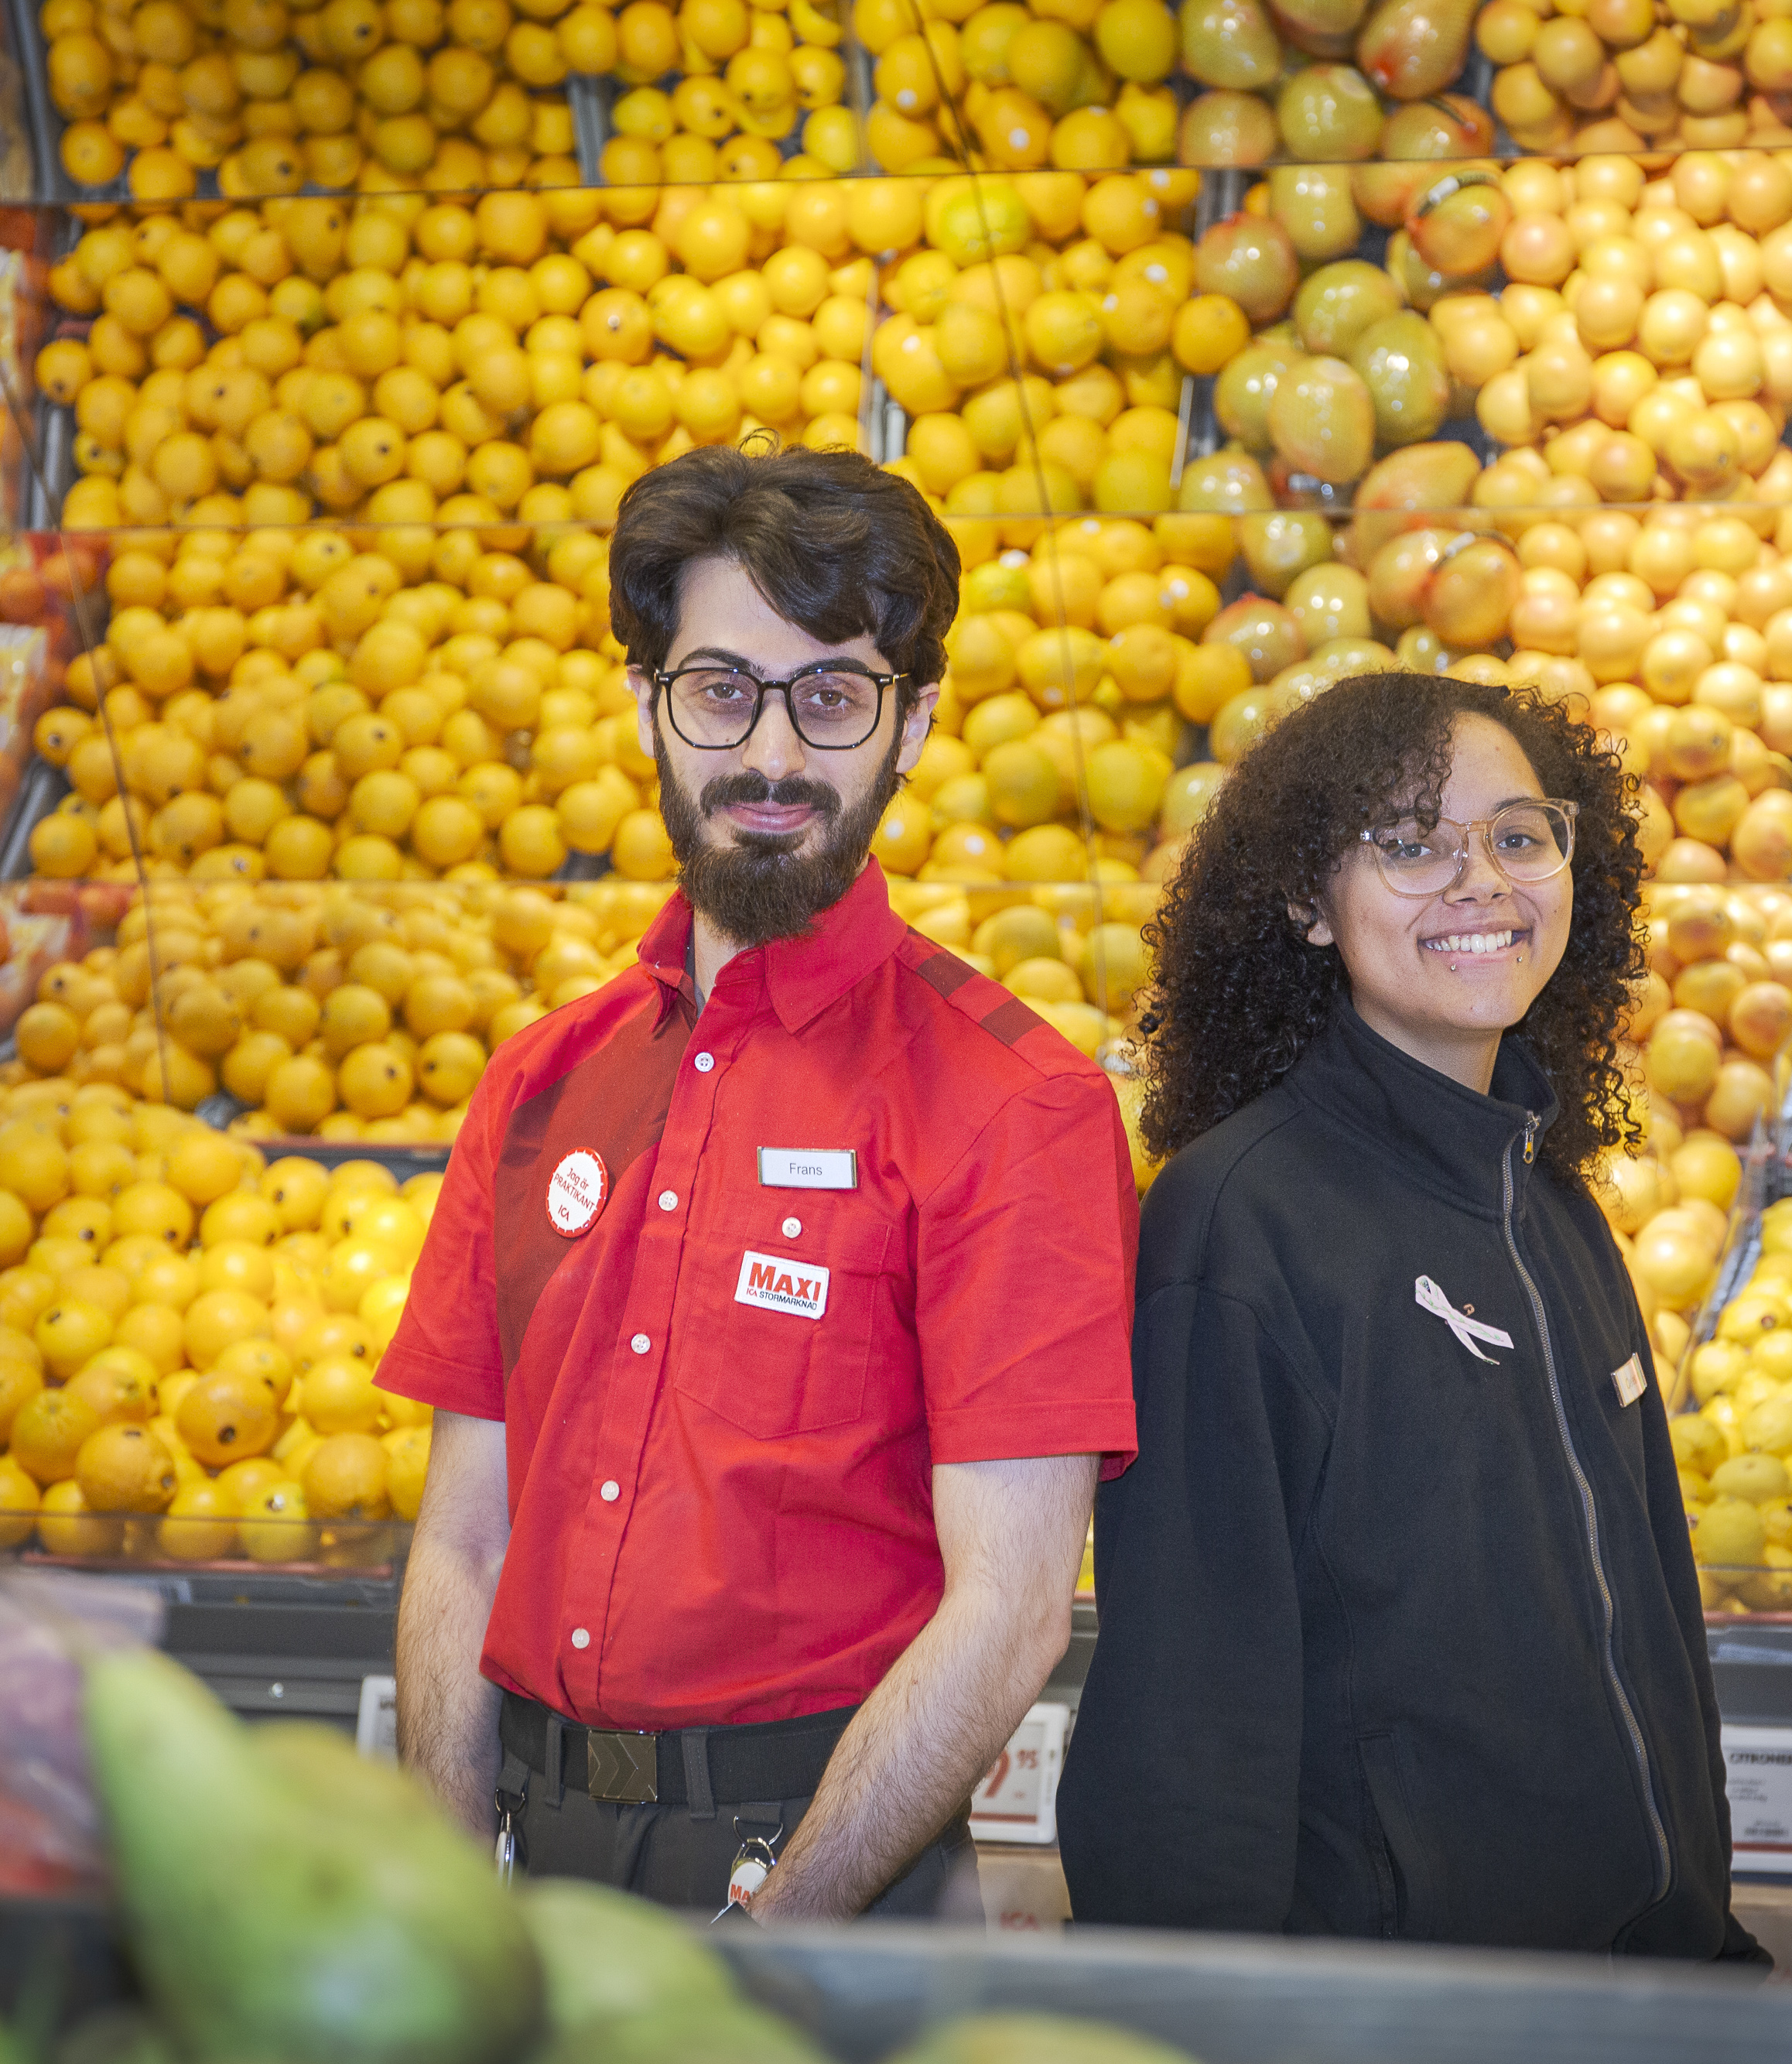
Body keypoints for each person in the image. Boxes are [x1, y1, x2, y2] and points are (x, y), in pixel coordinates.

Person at [379, 443, 1137, 1922]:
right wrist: (443, 1889)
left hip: (832, 1859)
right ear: (647, 705)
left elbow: (1010, 1611)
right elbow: (463, 1539)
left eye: (833, 697)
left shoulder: (1017, 1106)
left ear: (913, 725)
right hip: (528, 1849)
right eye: (723, 690)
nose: (774, 756)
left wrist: (781, 1931)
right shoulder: (538, 1084)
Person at [1058, 670, 1758, 1960]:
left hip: (1633, 1997)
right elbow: (1186, 1714)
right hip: (1397, 2009)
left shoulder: (1552, 1202)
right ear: (1305, 901)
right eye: (1413, 845)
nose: (1482, 882)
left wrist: (1707, 1937)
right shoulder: (1237, 1223)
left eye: (1519, 837)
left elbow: (1656, 1614)